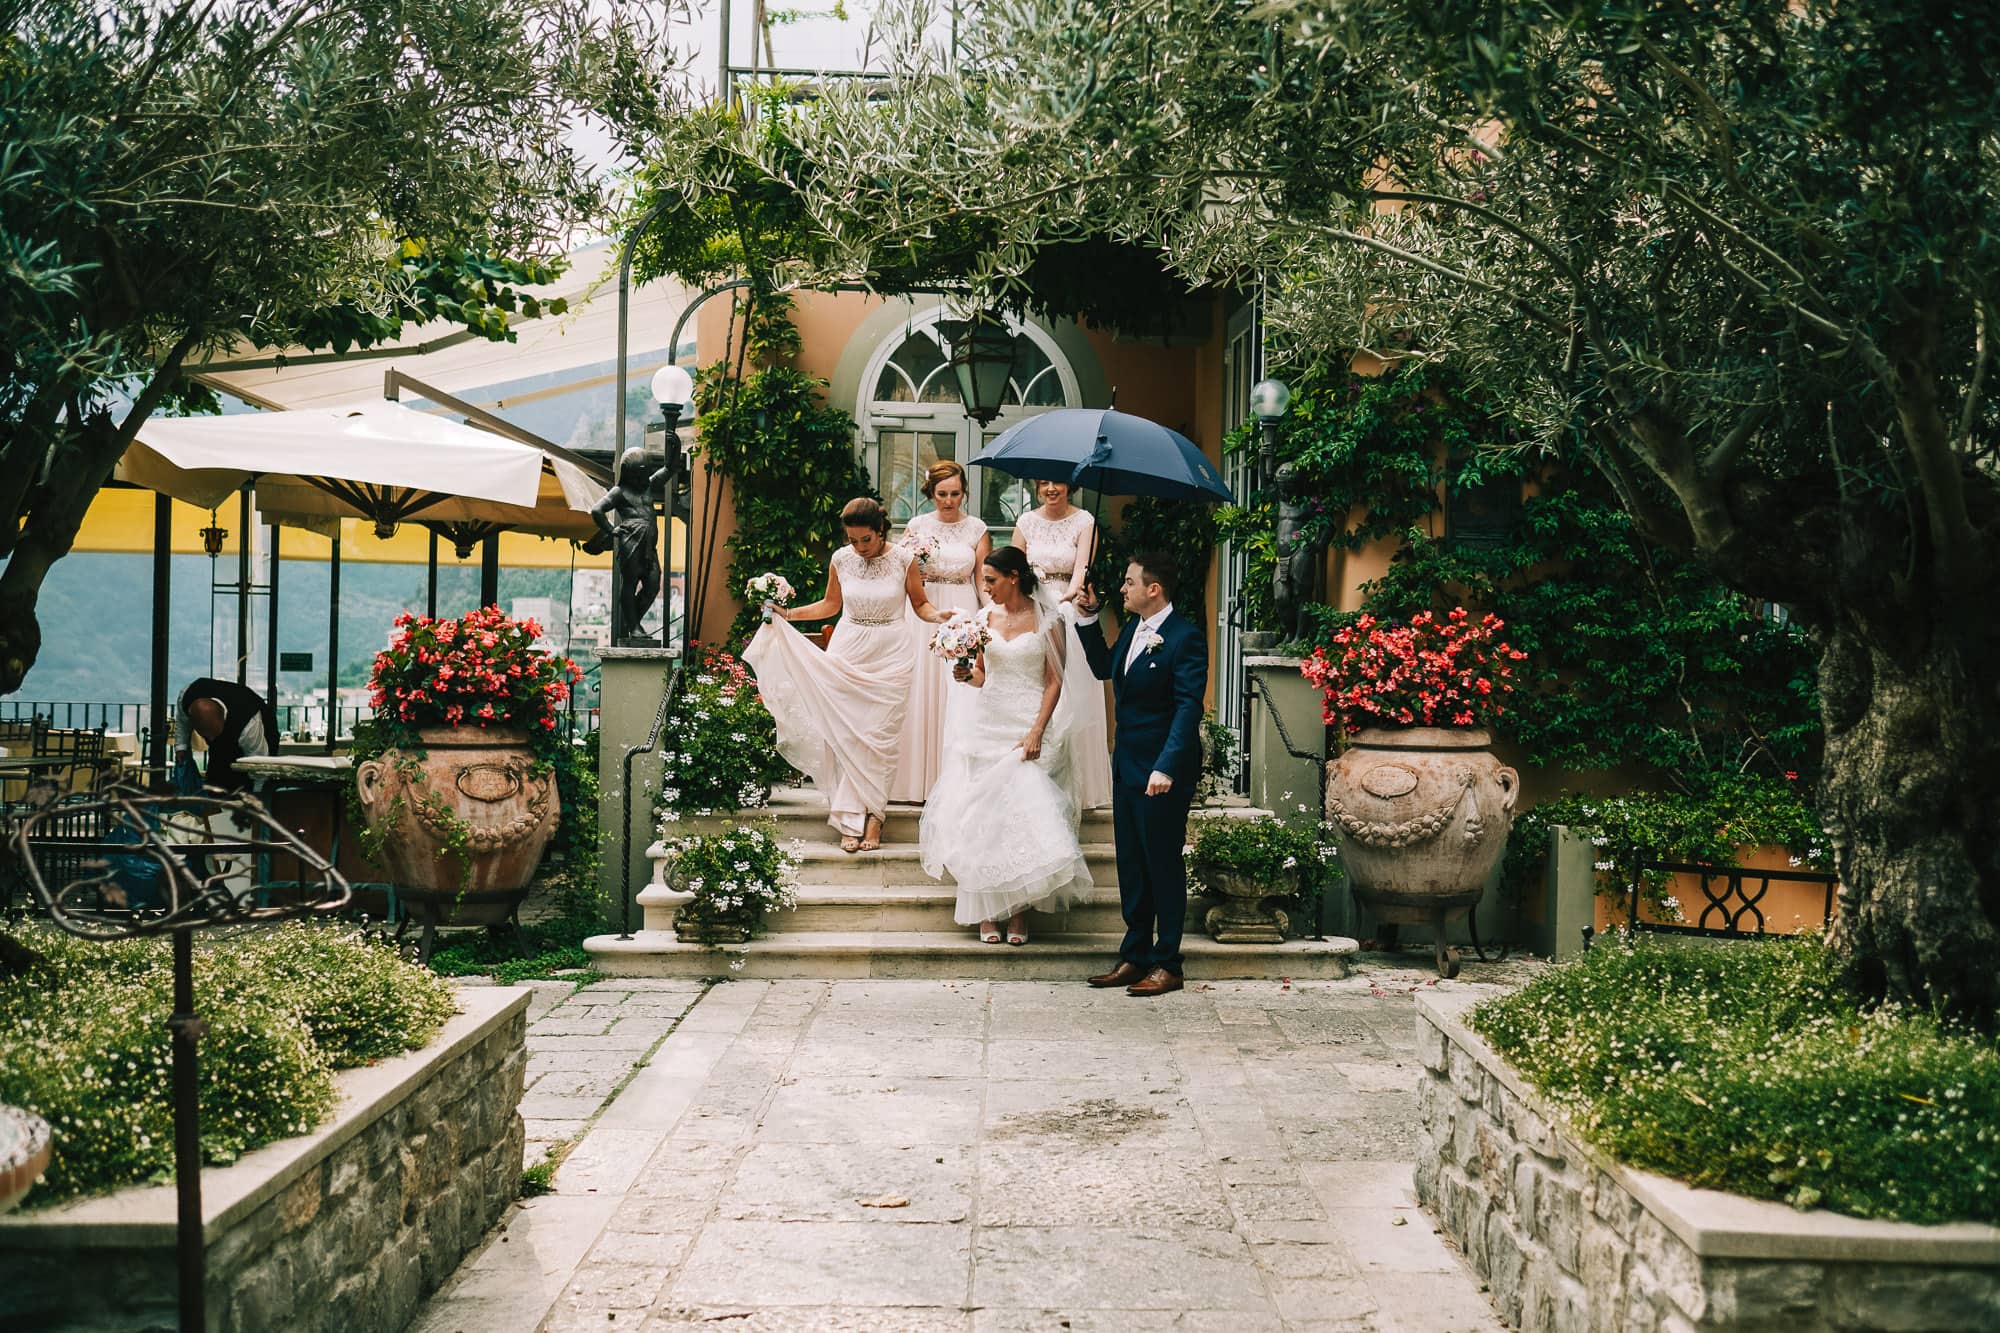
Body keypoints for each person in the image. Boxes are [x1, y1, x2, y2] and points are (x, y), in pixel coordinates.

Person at [744, 497, 948, 852]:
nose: (859, 547)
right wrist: (787, 614)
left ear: (881, 531)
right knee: (846, 736)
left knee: (880, 737)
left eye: (865, 539)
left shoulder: (904, 559)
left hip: (892, 653)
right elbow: (831, 605)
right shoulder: (841, 559)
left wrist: (939, 616)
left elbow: (920, 604)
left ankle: (875, 816)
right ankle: (850, 817)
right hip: (848, 648)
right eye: (853, 540)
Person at [919, 546, 1091, 946]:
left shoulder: (1049, 619)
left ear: (1014, 577)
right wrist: (966, 675)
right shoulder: (983, 619)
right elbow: (982, 674)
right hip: (988, 723)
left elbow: (1054, 681)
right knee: (985, 820)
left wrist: (1036, 731)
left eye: (991, 580)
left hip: (1028, 724)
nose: (986, 588)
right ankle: (986, 910)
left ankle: (1018, 911)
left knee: (1021, 817)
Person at [1072, 552, 1207, 997]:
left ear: (1154, 589)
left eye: (1129, 582)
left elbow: (1188, 708)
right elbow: (1102, 668)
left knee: (1161, 864)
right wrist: (1089, 619)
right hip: (1128, 763)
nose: (1122, 588)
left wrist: (1166, 765)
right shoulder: (1134, 629)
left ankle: (1168, 963)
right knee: (1132, 864)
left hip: (1162, 770)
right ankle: (1135, 955)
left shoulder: (1185, 637)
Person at [891, 460, 992, 802]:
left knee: (959, 690)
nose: (949, 501)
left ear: (964, 493)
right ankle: (915, 780)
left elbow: (983, 581)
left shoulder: (977, 529)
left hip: (962, 611)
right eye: (942, 494)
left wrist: (989, 617)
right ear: (930, 493)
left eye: (955, 494)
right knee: (920, 689)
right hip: (924, 612)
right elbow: (900, 574)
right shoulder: (917, 526)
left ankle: (955, 780)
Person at [1013, 480, 1113, 808]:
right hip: (1032, 608)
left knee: (1074, 692)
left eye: (1057, 482)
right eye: (1044, 483)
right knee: (1034, 686)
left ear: (1070, 486)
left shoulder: (1085, 521)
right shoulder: (1026, 522)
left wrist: (1063, 601)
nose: (1051, 488)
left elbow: (1081, 570)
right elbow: (1014, 568)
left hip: (1067, 610)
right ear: (1037, 487)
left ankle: (1080, 787)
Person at [174, 677, 278, 792]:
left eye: (213, 734)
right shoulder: (188, 695)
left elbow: (259, 764)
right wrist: (181, 747)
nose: (210, 739)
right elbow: (182, 722)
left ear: (222, 720)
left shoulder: (248, 725)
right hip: (229, 733)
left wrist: (258, 793)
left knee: (245, 783)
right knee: (216, 780)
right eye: (205, 735)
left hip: (262, 732)